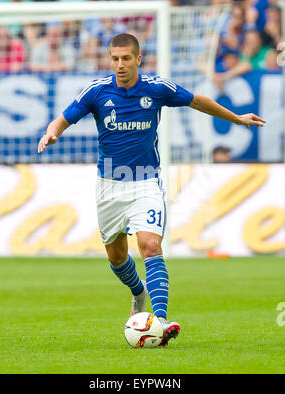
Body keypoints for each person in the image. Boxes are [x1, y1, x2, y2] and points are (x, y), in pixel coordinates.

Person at [37, 33, 265, 346]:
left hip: (146, 180)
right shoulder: (97, 91)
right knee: (117, 259)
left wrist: (236, 118)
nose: (120, 65)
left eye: (126, 58)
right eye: (115, 59)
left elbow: (198, 101)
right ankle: (138, 293)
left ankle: (160, 320)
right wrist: (52, 133)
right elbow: (63, 119)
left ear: (138, 59)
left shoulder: (157, 88)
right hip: (109, 185)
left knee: (150, 247)